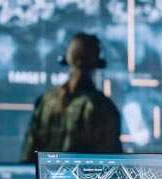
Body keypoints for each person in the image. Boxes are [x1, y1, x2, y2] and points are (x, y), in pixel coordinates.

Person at [20, 33, 122, 163]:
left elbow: (28, 156)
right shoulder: (103, 107)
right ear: (96, 63)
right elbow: (114, 162)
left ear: (67, 59)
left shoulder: (45, 102)